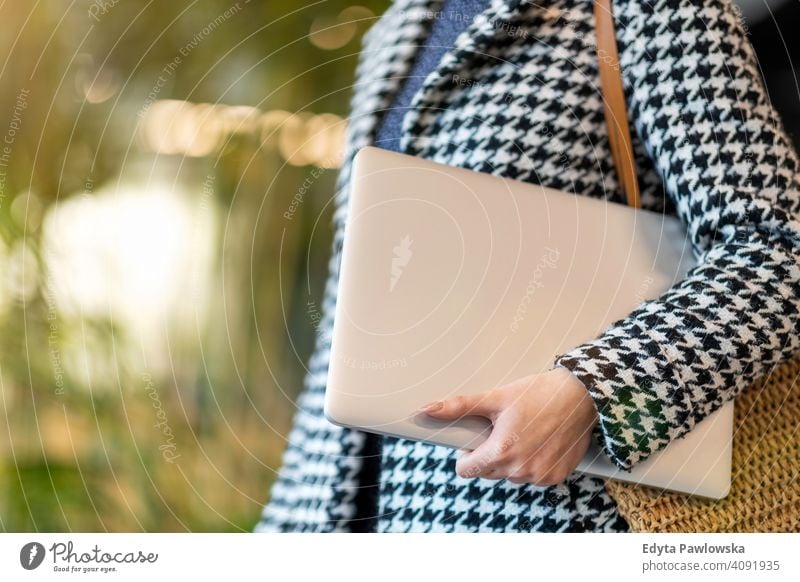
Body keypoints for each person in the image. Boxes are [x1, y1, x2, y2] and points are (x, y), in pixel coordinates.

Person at [256, 0, 800, 532]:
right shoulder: (398, 26)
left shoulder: (657, 8)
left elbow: (780, 246)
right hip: (347, 505)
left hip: (545, 511)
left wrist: (596, 390)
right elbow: (346, 323)